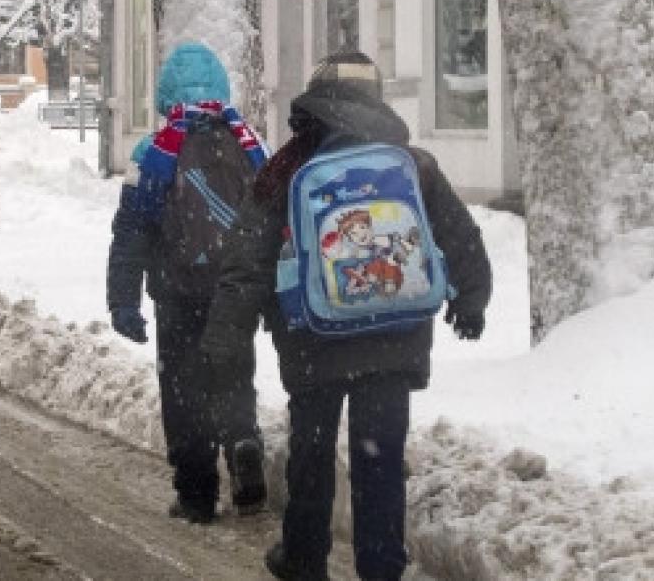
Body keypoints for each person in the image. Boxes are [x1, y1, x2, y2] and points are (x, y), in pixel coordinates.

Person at [199, 52, 492, 580]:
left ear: (316, 100)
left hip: (315, 337)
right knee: (380, 459)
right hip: (394, 333)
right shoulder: (411, 163)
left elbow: (248, 260)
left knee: (311, 452)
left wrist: (227, 333)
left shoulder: (287, 167)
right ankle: (381, 567)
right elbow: (460, 234)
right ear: (377, 98)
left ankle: (303, 557)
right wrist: (470, 299)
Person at [106, 42, 270, 524]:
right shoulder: (249, 146)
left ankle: (197, 493)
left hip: (177, 295)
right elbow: (270, 223)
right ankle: (242, 441)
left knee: (184, 391)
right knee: (234, 374)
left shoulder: (154, 153)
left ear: (167, 94)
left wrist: (123, 300)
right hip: (235, 292)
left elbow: (132, 230)